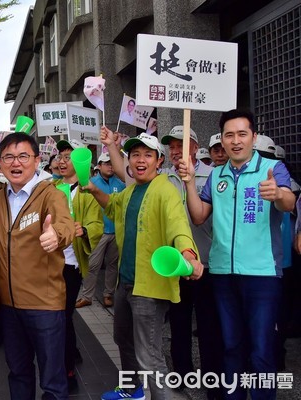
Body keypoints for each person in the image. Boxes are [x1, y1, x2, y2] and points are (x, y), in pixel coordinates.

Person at [178, 109, 295, 400]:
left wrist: (278, 194)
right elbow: (198, 215)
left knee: (261, 349)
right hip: (222, 275)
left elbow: (289, 202)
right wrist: (190, 182)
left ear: (253, 137)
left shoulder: (271, 168)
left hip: (262, 275)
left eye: (242, 134)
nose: (236, 141)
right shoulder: (217, 175)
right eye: (229, 135)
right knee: (230, 346)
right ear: (223, 140)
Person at [83, 132, 203, 400]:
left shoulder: (166, 190)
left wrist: (189, 255)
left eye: (147, 155)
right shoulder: (130, 190)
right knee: (122, 339)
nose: (140, 160)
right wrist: (93, 190)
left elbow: (178, 226)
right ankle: (132, 390)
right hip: (125, 283)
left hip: (149, 287)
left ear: (159, 161)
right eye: (135, 154)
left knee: (149, 354)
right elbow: (112, 206)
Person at [0, 133, 75, 399]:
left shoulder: (50, 194)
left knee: (52, 379)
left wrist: (57, 235)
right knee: (18, 373)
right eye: (9, 157)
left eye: (23, 156)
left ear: (37, 160)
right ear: (0, 163)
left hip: (44, 305)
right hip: (9, 305)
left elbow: (64, 224)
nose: (16, 163)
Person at [160, 125, 224, 399]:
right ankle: (182, 373)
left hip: (209, 261)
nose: (175, 151)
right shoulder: (162, 178)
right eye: (172, 146)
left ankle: (212, 377)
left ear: (195, 148)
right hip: (177, 264)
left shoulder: (213, 175)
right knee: (179, 322)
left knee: (210, 324)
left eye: (181, 145)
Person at [54, 139, 104, 390]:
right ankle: (70, 351)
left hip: (71, 264)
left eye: (68, 156)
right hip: (49, 263)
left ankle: (68, 369)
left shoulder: (87, 191)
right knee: (58, 315)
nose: (62, 161)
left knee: (62, 315)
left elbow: (97, 225)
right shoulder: (49, 188)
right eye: (60, 156)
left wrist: (83, 230)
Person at [77, 152, 125, 309]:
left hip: (115, 231)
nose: (110, 166)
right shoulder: (90, 183)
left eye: (112, 163)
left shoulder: (120, 183)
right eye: (106, 163)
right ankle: (87, 296)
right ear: (99, 166)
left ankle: (108, 294)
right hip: (99, 232)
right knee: (93, 264)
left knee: (112, 265)